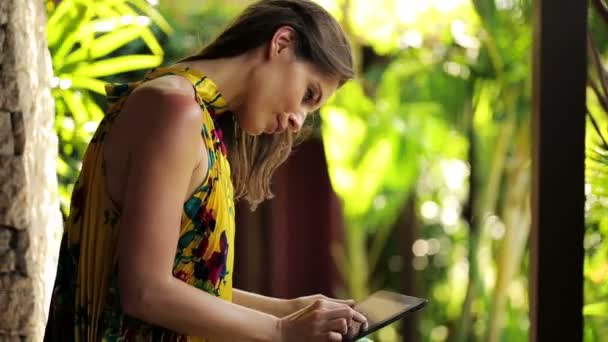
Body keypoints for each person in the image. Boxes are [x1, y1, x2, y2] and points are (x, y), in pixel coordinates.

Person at [44, 0, 368, 341]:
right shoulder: (175, 109)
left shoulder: (189, 112)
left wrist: (287, 310)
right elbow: (144, 291)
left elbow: (185, 284)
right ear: (282, 43)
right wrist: (281, 331)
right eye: (308, 94)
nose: (297, 121)